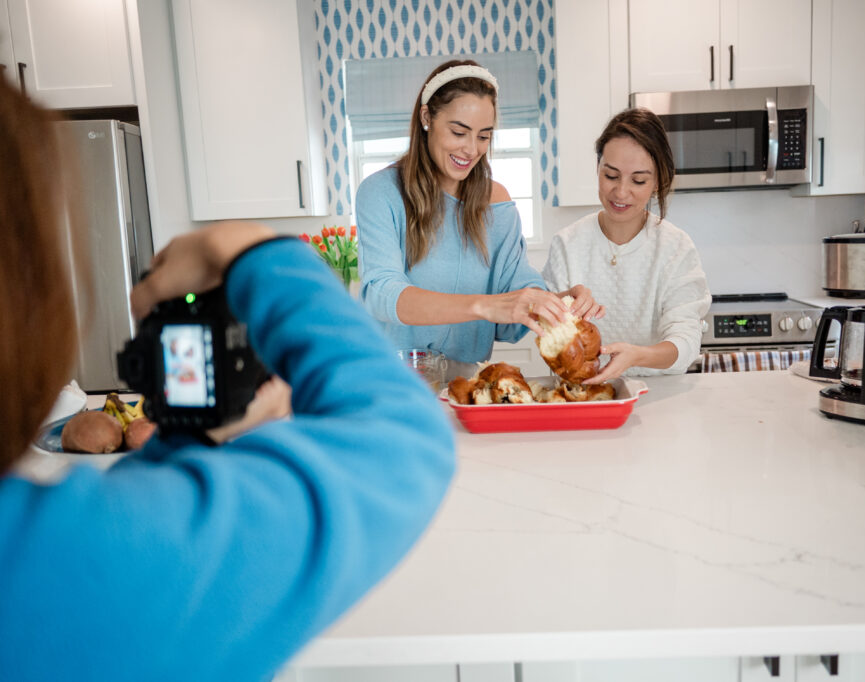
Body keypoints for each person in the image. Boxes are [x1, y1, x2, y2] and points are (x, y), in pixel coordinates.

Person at [0, 79, 455, 681]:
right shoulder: (61, 566)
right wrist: (251, 247)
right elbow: (405, 440)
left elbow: (141, 530)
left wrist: (190, 439)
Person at [356, 59, 601, 379]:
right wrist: (483, 305)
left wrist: (554, 303)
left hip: (465, 384)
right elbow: (382, 293)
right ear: (426, 116)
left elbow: (512, 308)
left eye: (484, 136)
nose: (471, 149)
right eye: (459, 132)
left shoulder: (497, 204)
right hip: (392, 379)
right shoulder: (380, 193)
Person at [543, 108, 711, 382]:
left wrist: (638, 355)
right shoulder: (568, 243)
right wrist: (561, 302)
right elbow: (546, 327)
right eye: (611, 176)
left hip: (659, 396)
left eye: (638, 180)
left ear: (657, 181)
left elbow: (686, 342)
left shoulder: (676, 247)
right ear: (598, 168)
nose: (621, 192)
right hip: (581, 395)